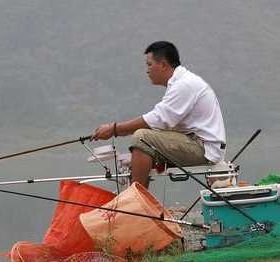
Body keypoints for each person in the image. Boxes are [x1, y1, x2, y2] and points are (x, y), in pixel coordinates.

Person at [91, 41, 226, 188]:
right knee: (143, 140)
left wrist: (114, 129)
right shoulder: (180, 82)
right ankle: (138, 199)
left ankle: (135, 199)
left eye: (149, 65)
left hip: (203, 149)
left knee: (142, 137)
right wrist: (117, 131)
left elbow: (157, 119)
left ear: (163, 65)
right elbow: (159, 121)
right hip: (196, 144)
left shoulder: (184, 85)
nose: (147, 70)